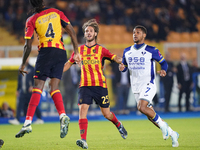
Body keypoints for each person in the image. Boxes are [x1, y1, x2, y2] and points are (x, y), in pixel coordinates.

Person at [15, 0, 81, 138]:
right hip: (60, 52)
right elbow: (71, 31)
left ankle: (27, 122)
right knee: (54, 87)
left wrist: (22, 64)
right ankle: (62, 116)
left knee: (38, 86)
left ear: (32, 5)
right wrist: (76, 52)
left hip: (46, 51)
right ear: (43, 2)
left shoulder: (31, 19)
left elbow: (28, 45)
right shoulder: (57, 12)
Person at [63, 19, 127, 149]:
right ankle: (83, 140)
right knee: (82, 110)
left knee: (107, 114)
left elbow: (114, 57)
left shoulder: (101, 50)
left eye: (91, 31)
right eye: (86, 31)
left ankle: (118, 124)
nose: (88, 33)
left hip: (100, 86)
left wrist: (123, 61)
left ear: (95, 33)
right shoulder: (79, 50)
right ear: (85, 34)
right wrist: (57, 73)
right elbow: (69, 63)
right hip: (84, 85)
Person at [119, 25, 179, 147]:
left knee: (141, 106)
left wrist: (163, 70)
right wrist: (121, 68)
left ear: (144, 35)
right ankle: (173, 134)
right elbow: (124, 67)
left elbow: (163, 63)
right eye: (134, 32)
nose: (135, 34)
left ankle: (164, 126)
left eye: (138, 32)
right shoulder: (127, 51)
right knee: (149, 115)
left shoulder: (152, 50)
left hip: (148, 84)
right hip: (136, 87)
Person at [9, 59, 44, 125]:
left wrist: (33, 86)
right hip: (23, 90)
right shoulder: (21, 68)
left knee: (33, 104)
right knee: (20, 105)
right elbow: (19, 81)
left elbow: (35, 78)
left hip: (29, 91)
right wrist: (17, 89)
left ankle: (40, 118)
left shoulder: (32, 68)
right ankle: (17, 119)